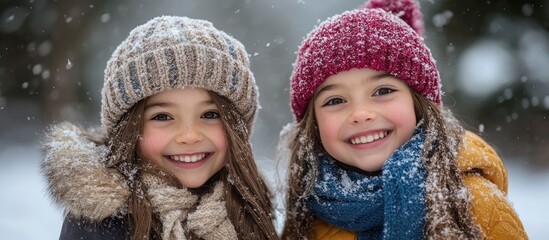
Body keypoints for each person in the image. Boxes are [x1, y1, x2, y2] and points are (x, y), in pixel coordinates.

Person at [279, 0, 528, 239]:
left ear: (418, 103)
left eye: (383, 91)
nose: (360, 114)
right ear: (313, 124)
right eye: (335, 101)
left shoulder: (476, 205)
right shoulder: (307, 216)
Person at [42, 16, 278, 240]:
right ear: (129, 131)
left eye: (210, 114)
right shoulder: (101, 223)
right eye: (163, 116)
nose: (189, 136)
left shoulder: (250, 206)